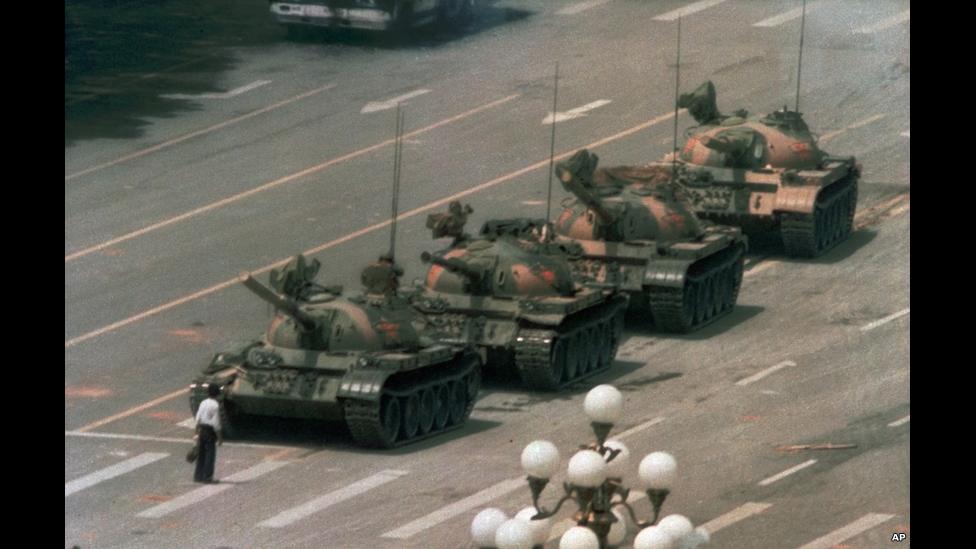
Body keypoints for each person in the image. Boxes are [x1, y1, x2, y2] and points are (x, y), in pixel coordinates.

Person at [193, 384, 223, 483]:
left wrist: (196, 433)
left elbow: (198, 418)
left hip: (202, 429)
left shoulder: (203, 402)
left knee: (201, 454)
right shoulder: (215, 405)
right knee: (210, 454)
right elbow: (216, 423)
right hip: (210, 431)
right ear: (217, 394)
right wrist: (219, 438)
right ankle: (207, 477)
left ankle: (198, 476)